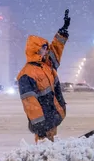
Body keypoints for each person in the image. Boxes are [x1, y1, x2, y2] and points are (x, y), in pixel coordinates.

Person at [17, 9, 71, 143]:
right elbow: (30, 103)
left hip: (52, 118)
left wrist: (62, 32)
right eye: (44, 48)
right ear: (36, 50)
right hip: (44, 123)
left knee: (51, 147)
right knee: (44, 150)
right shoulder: (27, 74)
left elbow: (56, 51)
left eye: (46, 48)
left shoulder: (46, 65)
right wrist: (39, 125)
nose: (46, 50)